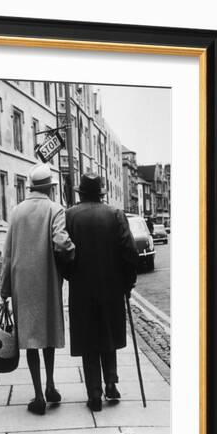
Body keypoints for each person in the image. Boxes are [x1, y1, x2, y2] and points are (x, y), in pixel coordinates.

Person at [0, 164, 75, 415]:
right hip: (47, 280)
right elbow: (62, 243)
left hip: (22, 283)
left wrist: (4, 292)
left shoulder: (17, 212)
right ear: (50, 188)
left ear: (31, 187)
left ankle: (39, 395)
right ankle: (51, 385)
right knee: (48, 336)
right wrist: (72, 259)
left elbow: (7, 255)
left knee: (30, 339)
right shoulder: (55, 209)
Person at [65, 173, 138, 412]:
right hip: (111, 287)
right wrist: (127, 283)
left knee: (89, 340)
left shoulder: (70, 216)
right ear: (100, 193)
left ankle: (94, 393)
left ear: (81, 193)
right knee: (108, 334)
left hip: (81, 288)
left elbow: (62, 252)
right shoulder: (115, 214)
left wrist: (71, 275)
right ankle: (111, 384)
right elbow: (129, 252)